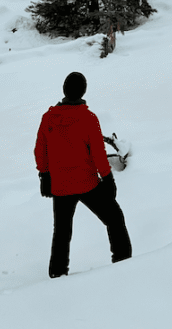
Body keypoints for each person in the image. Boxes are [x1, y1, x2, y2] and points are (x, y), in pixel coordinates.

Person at [34, 71, 132, 278]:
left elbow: (39, 150)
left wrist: (44, 176)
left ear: (64, 90)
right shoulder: (88, 118)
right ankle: (124, 265)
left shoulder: (48, 118)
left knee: (61, 233)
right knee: (115, 219)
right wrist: (108, 178)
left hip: (60, 187)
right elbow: (98, 152)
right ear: (83, 91)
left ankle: (57, 276)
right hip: (87, 184)